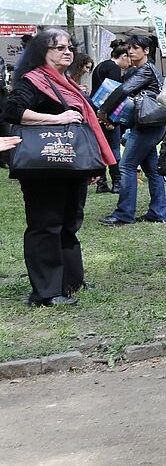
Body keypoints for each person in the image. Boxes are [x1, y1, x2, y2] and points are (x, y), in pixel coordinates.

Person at [2, 29, 117, 306]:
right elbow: (13, 111)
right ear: (43, 52)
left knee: (69, 223)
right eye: (59, 48)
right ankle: (46, 292)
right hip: (44, 166)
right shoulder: (33, 80)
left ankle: (71, 281)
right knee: (46, 225)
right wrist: (56, 119)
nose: (67, 52)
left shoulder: (66, 82)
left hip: (70, 164)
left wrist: (90, 164)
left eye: (69, 48)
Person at [98, 35, 166, 226]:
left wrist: (104, 111)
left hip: (147, 126)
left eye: (135, 47)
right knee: (152, 170)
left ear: (146, 51)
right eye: (129, 48)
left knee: (126, 166)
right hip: (150, 125)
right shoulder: (144, 69)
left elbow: (124, 91)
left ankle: (124, 214)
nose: (130, 51)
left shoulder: (146, 70)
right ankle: (157, 212)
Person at [89, 43, 129, 193]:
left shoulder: (100, 66)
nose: (129, 63)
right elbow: (114, 94)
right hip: (107, 113)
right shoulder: (114, 68)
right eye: (129, 59)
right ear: (123, 56)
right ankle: (117, 182)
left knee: (100, 147)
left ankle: (101, 183)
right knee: (113, 147)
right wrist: (110, 119)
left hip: (95, 111)